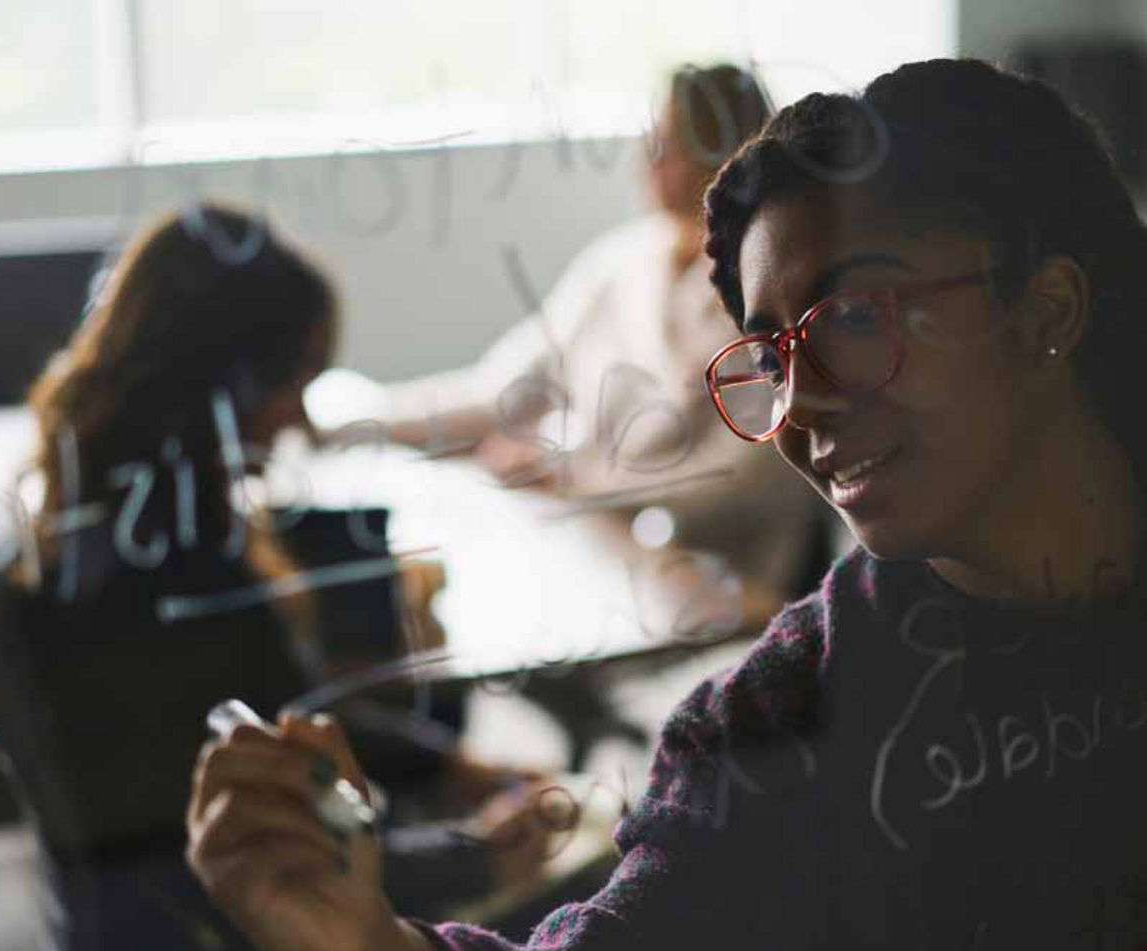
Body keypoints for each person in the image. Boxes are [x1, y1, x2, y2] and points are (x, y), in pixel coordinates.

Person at [184, 61, 1147, 951]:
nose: (801, 406)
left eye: (859, 318)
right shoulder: (813, 704)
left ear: (1044, 309)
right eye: (772, 355)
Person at [0, 204, 551, 951]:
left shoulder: (97, 522)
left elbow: (278, 714)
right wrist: (478, 856)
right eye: (295, 381)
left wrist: (452, 766)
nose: (300, 418)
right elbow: (258, 867)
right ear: (224, 378)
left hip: (153, 929)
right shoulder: (172, 584)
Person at [342, 63, 825, 606]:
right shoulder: (620, 265)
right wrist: (358, 421)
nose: (648, 158)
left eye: (669, 142)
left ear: (729, 153)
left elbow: (746, 476)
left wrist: (575, 478)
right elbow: (503, 390)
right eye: (651, 139)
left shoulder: (770, 291)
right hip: (610, 558)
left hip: (732, 587)